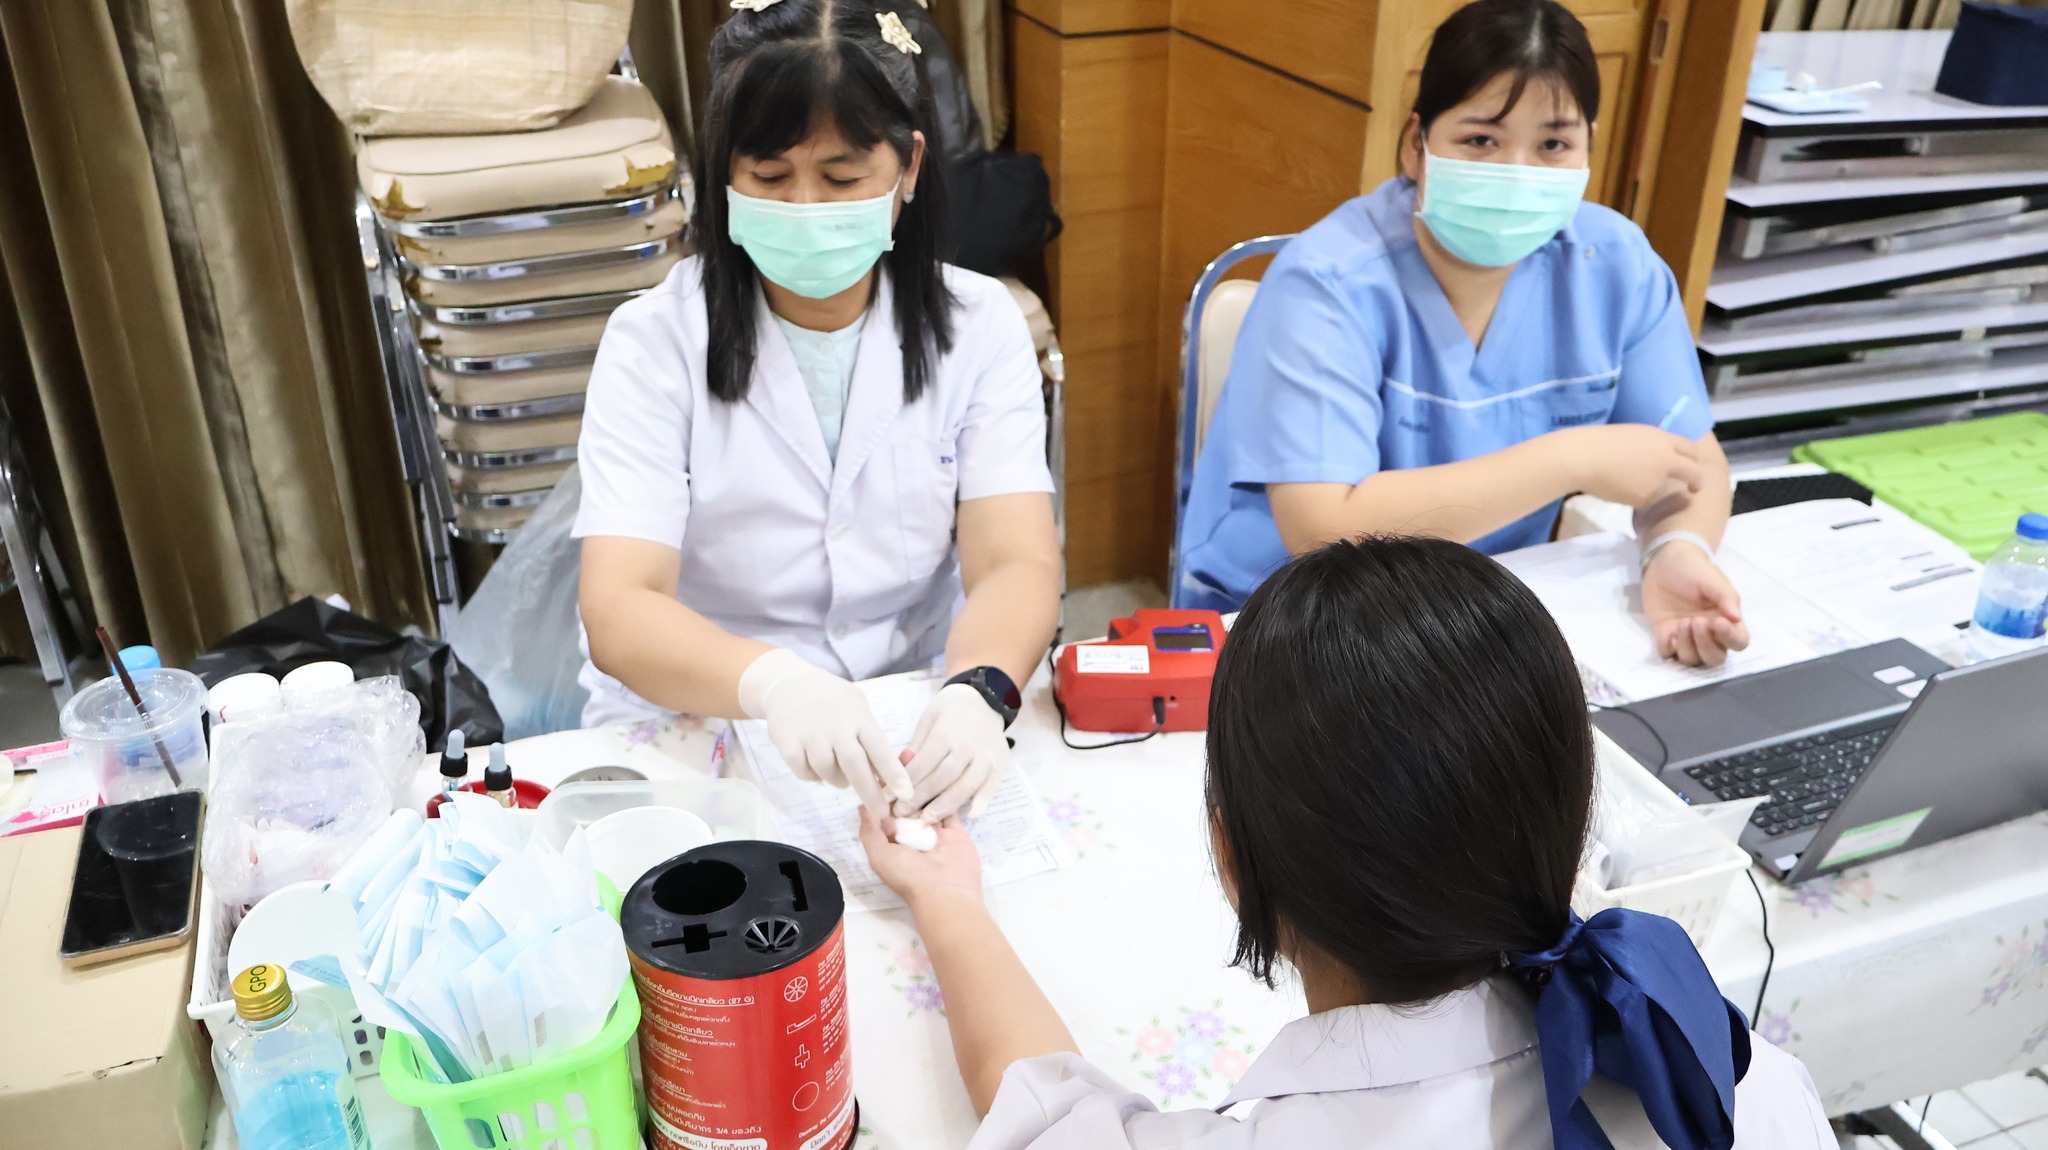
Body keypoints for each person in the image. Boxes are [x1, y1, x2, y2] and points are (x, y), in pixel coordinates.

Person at [862, 536, 1834, 1148]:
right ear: (1570, 824)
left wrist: (946, 897)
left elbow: (1042, 1112)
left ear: (1231, 856)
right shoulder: (1729, 1076)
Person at [575, 0, 1061, 819]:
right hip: (704, 705)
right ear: (724, 171)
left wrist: (978, 689)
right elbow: (621, 608)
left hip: (911, 701)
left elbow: (1015, 560)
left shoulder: (981, 327)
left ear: (909, 166)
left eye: (841, 179)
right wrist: (773, 682)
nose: (804, 208)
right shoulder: (653, 341)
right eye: (769, 177)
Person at [1178, 0, 1750, 668]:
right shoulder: (1328, 282)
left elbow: (1694, 465)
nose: (1516, 171)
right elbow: (1325, 530)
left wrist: (1675, 551)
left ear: (1589, 147)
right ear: (1416, 144)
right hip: (1293, 627)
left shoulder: (1614, 265)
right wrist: (1574, 458)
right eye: (1481, 140)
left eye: (1553, 145)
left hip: (1474, 619)